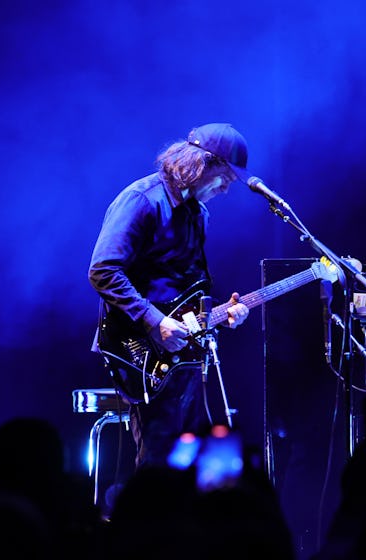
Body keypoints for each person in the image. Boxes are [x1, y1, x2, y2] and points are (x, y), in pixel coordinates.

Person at [88, 123, 252, 470]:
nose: (225, 189)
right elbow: (103, 270)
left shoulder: (199, 215)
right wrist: (154, 321)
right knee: (158, 459)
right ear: (202, 164)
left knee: (189, 459)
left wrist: (222, 313)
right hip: (138, 347)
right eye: (224, 178)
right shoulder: (142, 200)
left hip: (183, 353)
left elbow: (187, 288)